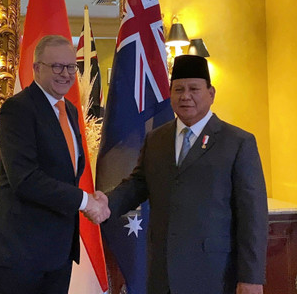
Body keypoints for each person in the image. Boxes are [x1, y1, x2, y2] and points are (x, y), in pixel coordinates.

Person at [99, 55, 268, 294]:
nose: (185, 96)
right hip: (163, 271)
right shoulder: (157, 139)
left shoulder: (238, 142)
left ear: (211, 93)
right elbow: (138, 184)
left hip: (215, 273)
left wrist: (251, 278)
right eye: (178, 89)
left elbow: (253, 215)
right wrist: (106, 202)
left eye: (193, 89)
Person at [0, 35, 109, 294]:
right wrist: (85, 202)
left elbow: (67, 172)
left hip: (58, 250)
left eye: (71, 67)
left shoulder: (70, 111)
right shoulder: (17, 110)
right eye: (57, 67)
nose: (66, 74)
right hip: (20, 251)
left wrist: (94, 198)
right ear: (37, 68)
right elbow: (25, 180)